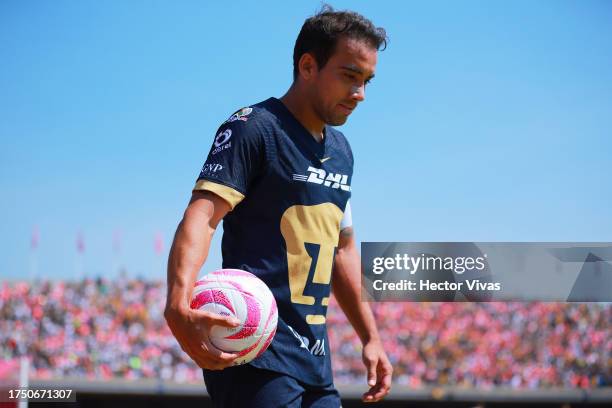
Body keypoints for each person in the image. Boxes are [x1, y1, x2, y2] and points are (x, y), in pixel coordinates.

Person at [165, 5, 391, 407]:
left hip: (317, 368)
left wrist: (370, 336)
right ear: (308, 66)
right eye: (350, 76)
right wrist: (177, 305)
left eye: (367, 81)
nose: (360, 94)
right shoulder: (253, 127)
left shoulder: (342, 152)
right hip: (254, 353)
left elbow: (341, 248)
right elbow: (201, 218)